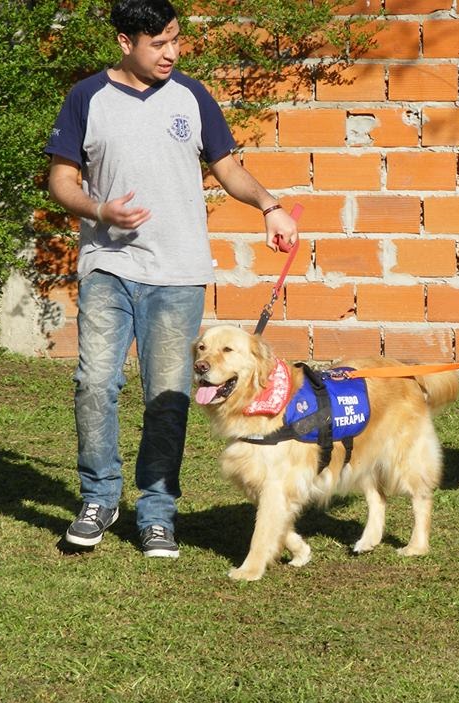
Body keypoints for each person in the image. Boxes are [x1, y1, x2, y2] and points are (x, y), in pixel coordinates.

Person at [45, 0, 297, 558]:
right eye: (157, 43)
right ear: (125, 42)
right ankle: (99, 499)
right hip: (108, 266)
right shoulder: (87, 97)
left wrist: (270, 206)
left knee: (169, 396)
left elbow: (227, 167)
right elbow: (61, 180)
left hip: (178, 273)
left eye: (175, 40)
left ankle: (157, 513)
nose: (171, 53)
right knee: (95, 384)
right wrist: (100, 210)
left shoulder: (191, 96)